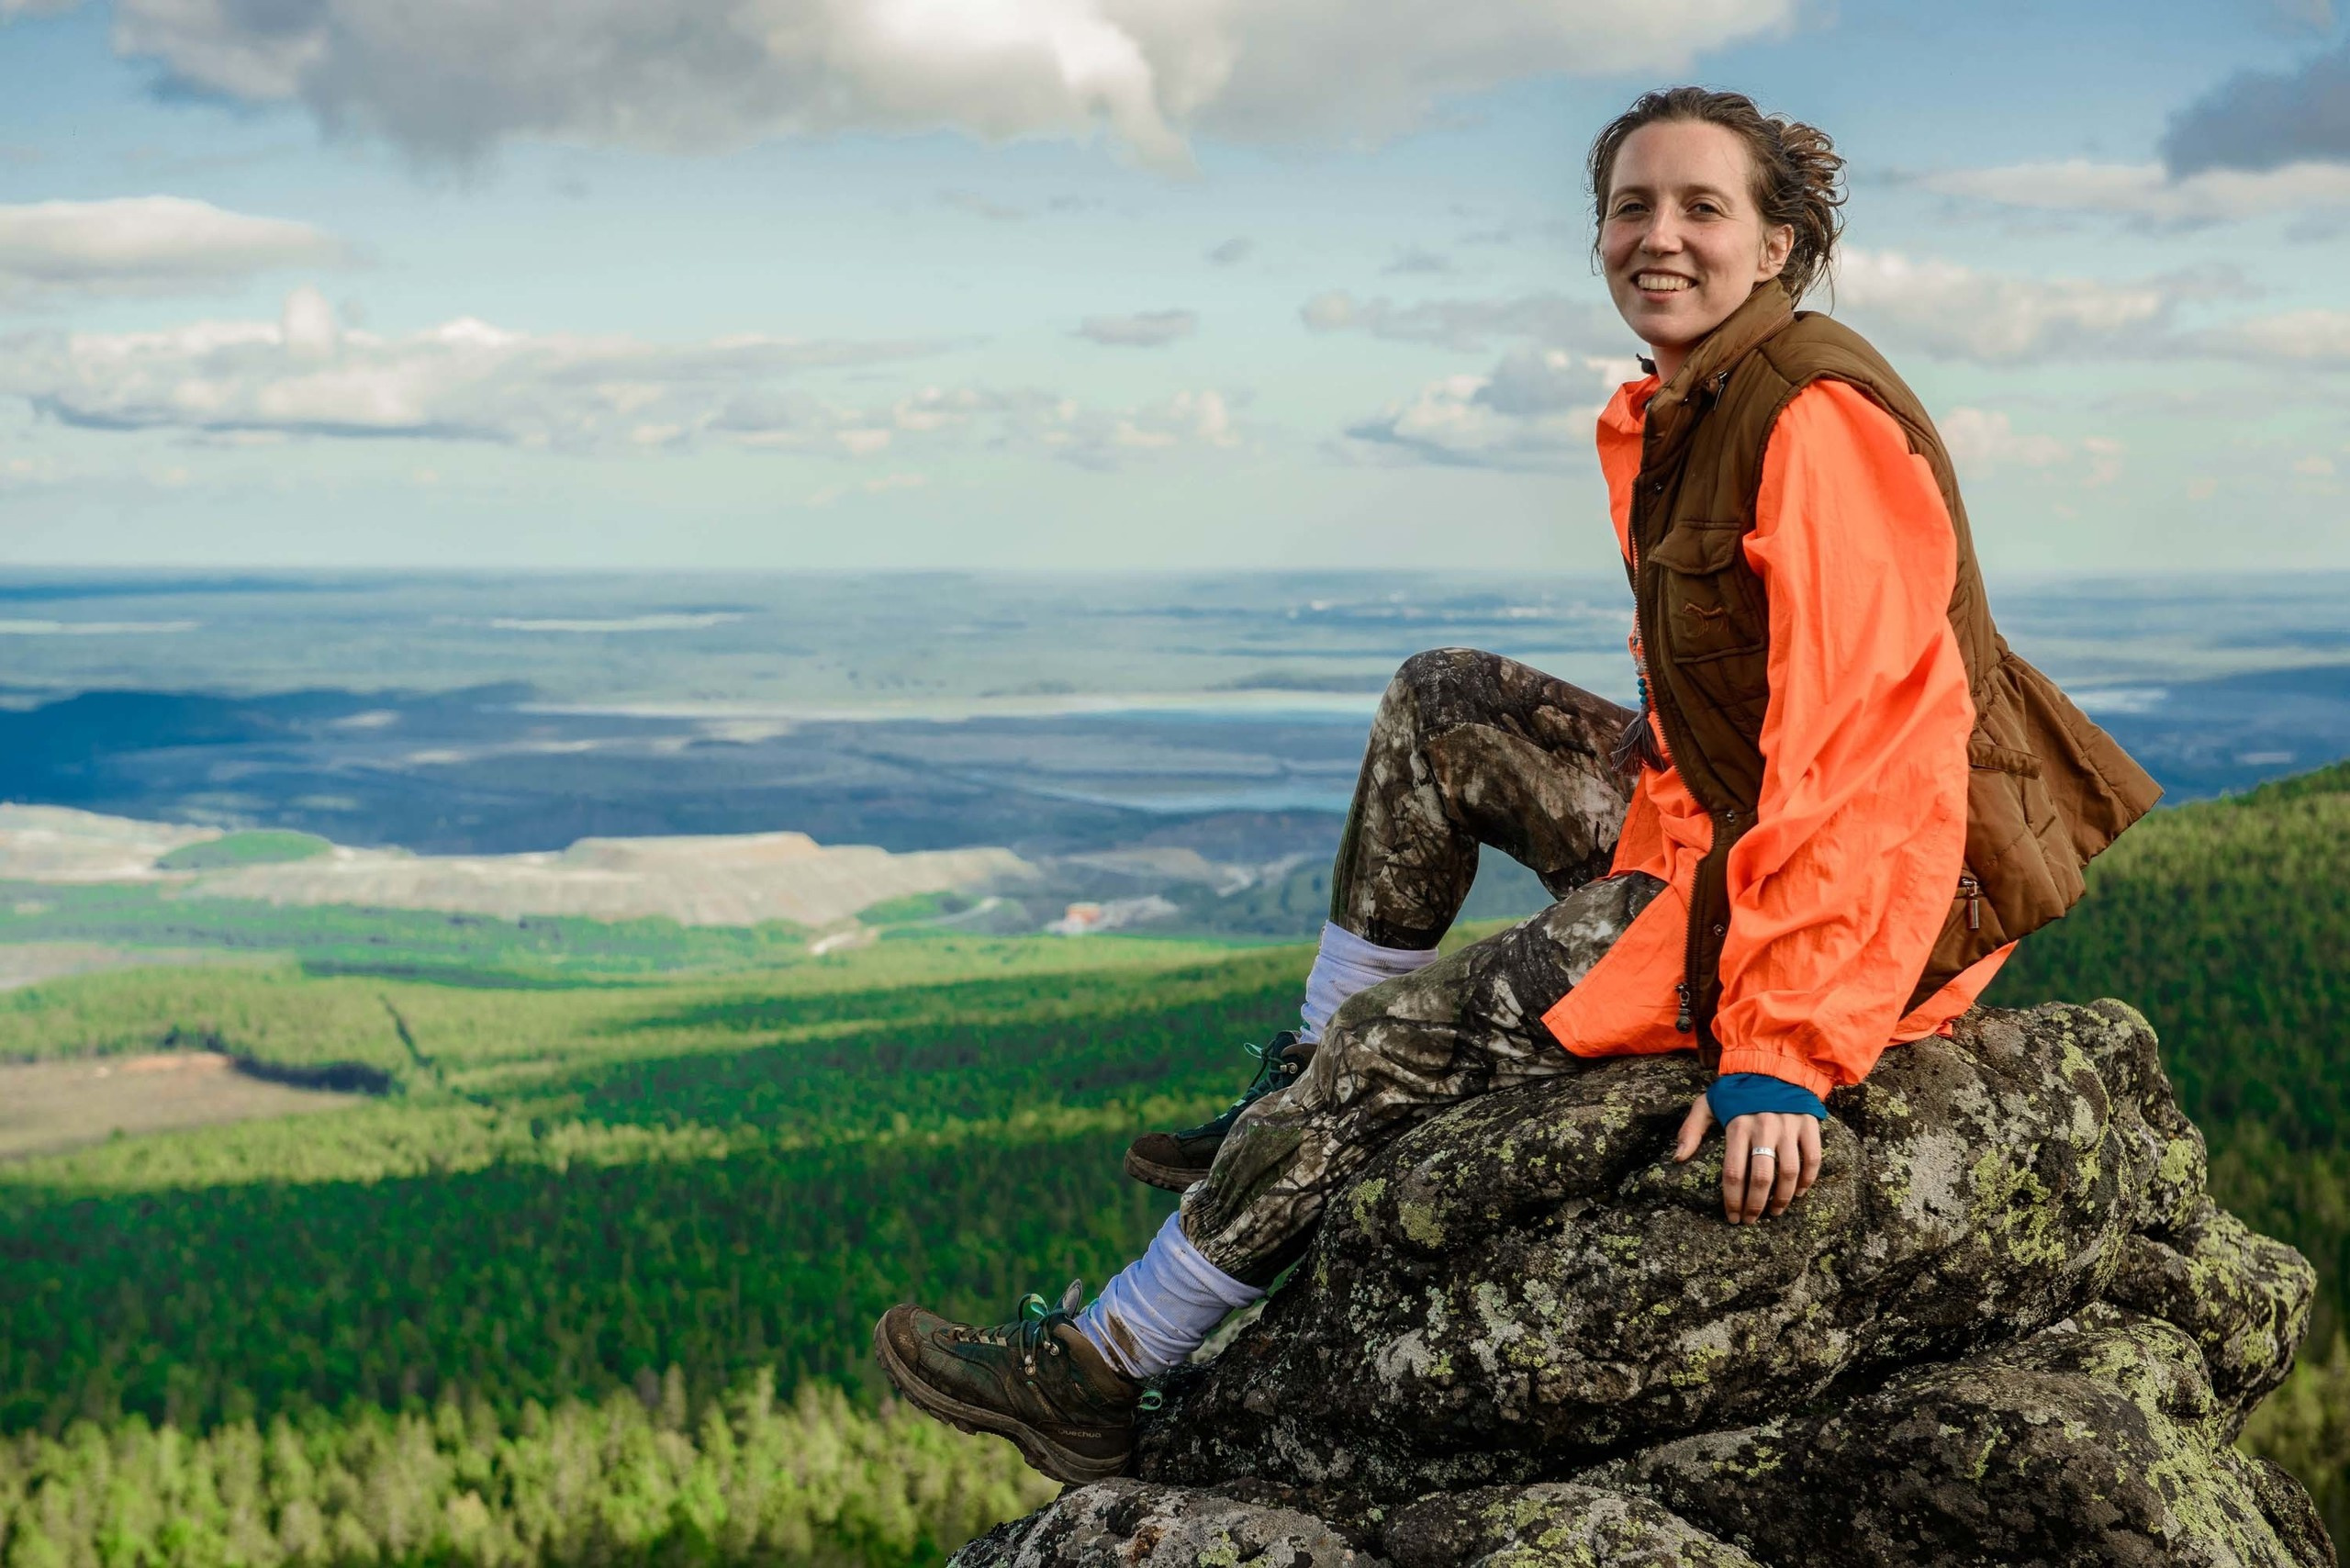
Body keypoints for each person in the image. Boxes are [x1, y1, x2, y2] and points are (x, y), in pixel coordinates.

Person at [872, 85, 2160, 1487]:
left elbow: (1868, 763)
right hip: (1726, 839)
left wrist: (1782, 1056)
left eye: (1701, 208)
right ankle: (1293, 1089)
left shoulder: (1814, 421)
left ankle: (1107, 1365)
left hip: (1865, 908)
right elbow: (1718, 718)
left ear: (1779, 246)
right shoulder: (1694, 405)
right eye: (1630, 206)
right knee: (1443, 707)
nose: (1656, 237)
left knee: (1398, 1048)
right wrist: (1641, 861)